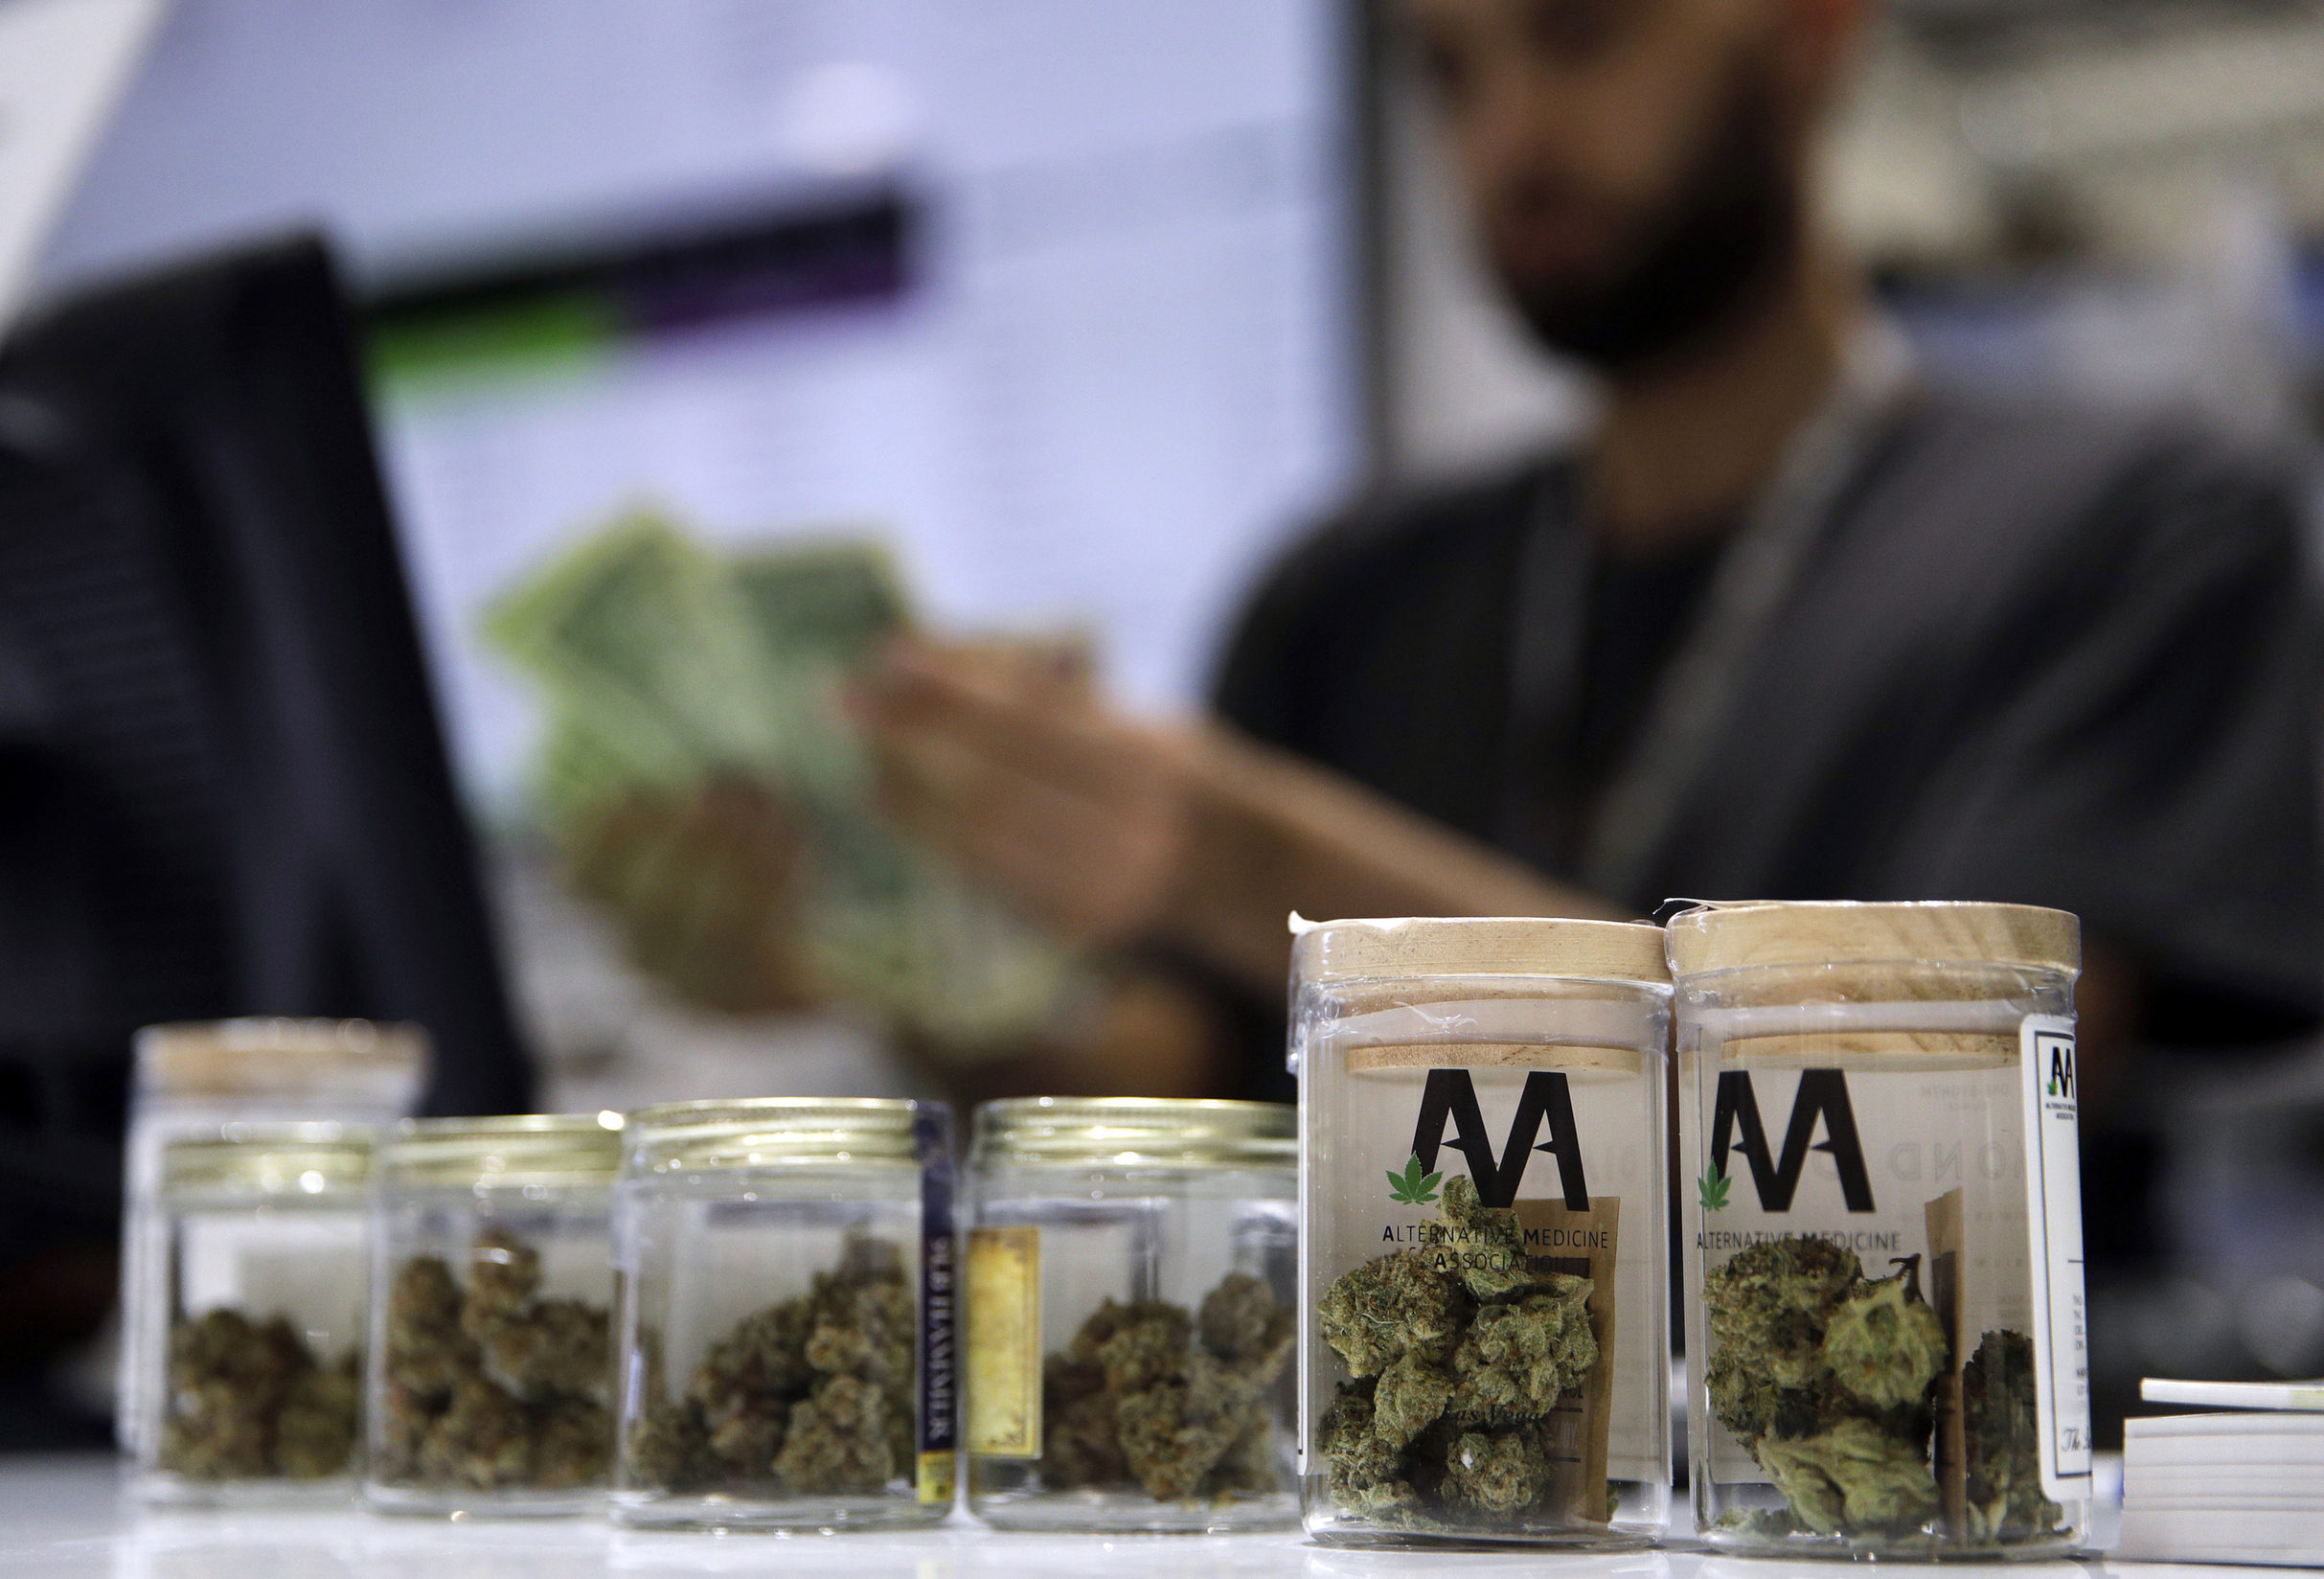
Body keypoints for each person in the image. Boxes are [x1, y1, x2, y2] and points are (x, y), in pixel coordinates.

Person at [849, 0, 2324, 1141]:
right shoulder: (1346, 597)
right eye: (1450, 75)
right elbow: (1192, 1118)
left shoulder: (2130, 529)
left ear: (1812, 29)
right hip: (1417, 1497)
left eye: (1580, 34)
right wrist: (882, 954)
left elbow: (1943, 1110)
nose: (1511, 140)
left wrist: (1244, 864)